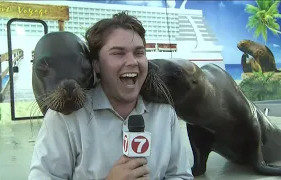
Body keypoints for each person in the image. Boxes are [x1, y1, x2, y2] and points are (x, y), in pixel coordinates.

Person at [28, 11, 194, 180]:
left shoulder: (164, 113)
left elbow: (180, 175)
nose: (132, 62)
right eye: (118, 53)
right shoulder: (64, 119)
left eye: (139, 53)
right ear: (96, 65)